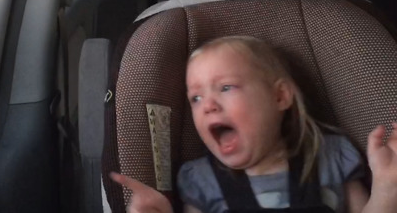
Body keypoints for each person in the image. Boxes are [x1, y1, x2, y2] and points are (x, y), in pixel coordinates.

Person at [111, 36, 397, 213]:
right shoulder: (201, 182)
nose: (208, 105)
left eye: (226, 88)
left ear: (280, 96)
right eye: (196, 97)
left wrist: (386, 187)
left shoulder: (331, 157)